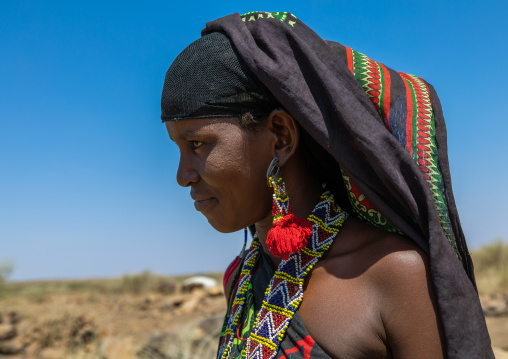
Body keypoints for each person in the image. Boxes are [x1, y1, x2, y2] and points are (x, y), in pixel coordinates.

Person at [160, 11, 493, 359]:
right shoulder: (241, 279)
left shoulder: (396, 276)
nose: (183, 175)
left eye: (198, 145)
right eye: (178, 149)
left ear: (280, 136)